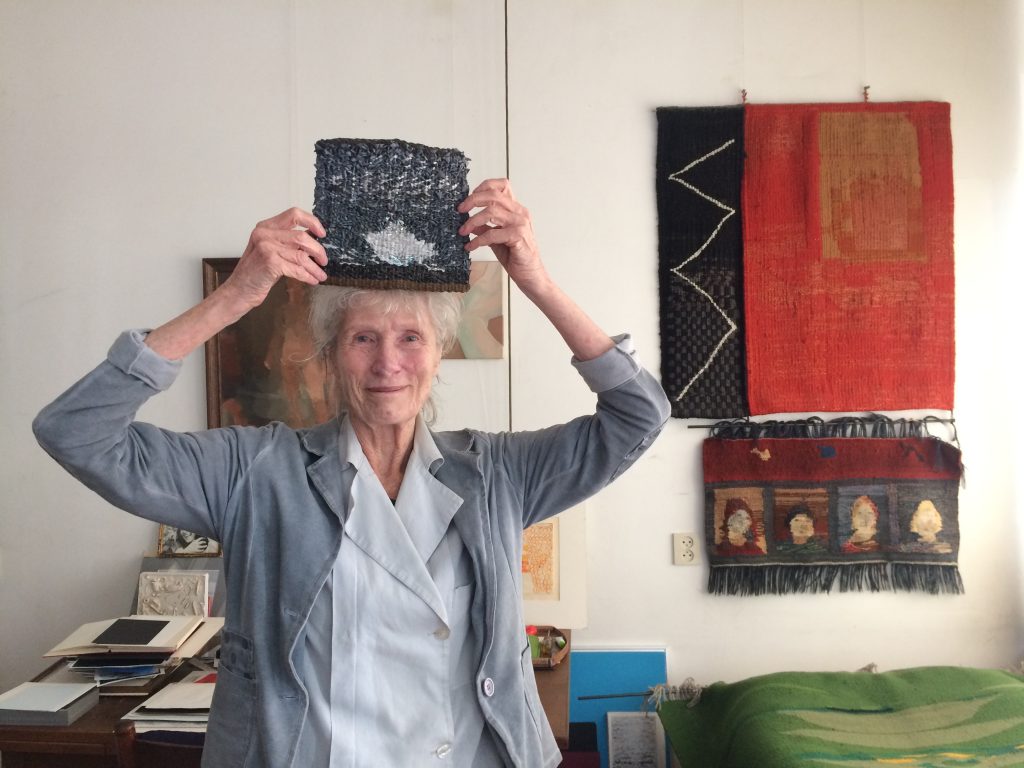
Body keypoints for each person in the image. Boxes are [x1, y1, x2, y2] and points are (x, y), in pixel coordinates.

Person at [33, 179, 670, 768]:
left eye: (411, 338)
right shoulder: (257, 473)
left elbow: (639, 416)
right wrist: (234, 297)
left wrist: (536, 280)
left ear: (438, 355)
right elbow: (76, 432)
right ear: (332, 357)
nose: (387, 363)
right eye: (363, 338)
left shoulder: (498, 472)